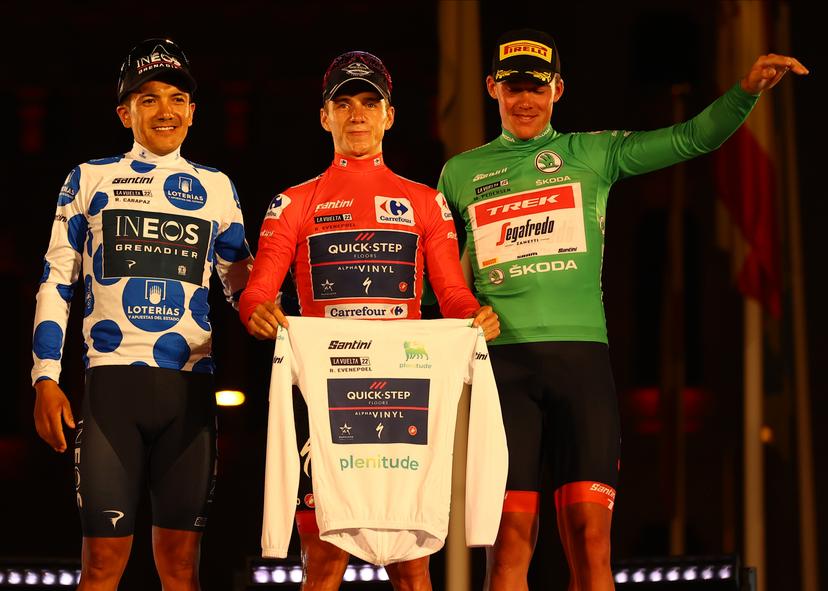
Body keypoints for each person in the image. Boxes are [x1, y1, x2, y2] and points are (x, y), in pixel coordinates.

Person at [437, 28, 808, 591]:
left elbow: (692, 138)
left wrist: (746, 92)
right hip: (503, 371)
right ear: (492, 88)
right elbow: (440, 273)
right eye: (513, 88)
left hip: (582, 367)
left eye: (536, 87)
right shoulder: (461, 173)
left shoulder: (594, 153)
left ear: (558, 89)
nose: (525, 99)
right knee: (508, 546)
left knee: (591, 542)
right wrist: (459, 316)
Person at [239, 50, 500, 591]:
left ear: (389, 115)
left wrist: (474, 316)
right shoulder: (294, 203)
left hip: (404, 392)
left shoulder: (425, 202)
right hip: (327, 397)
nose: (356, 114)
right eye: (343, 103)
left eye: (368, 102)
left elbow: (451, 292)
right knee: (323, 563)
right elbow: (259, 289)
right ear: (324, 117)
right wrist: (256, 311)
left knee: (412, 568)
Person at [31, 38, 253, 590]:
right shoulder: (88, 178)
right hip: (111, 394)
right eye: (148, 99)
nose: (165, 111)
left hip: (190, 393)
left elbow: (245, 291)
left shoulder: (217, 187)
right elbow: (56, 280)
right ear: (124, 112)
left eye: (177, 98)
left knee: (180, 570)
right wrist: (45, 378)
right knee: (101, 569)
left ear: (193, 111)